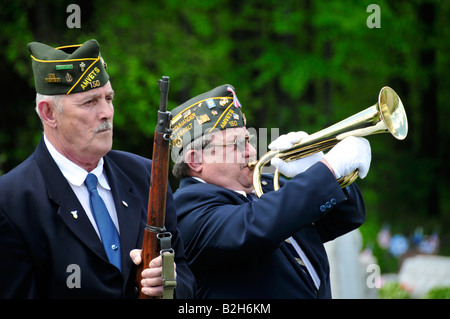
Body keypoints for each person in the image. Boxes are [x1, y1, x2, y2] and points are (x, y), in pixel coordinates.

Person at [0, 39, 195, 298]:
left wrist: (167, 284)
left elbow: (184, 274)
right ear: (48, 114)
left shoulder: (145, 175)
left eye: (108, 98)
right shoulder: (11, 201)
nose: (106, 112)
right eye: (90, 102)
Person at [169, 84, 371, 298]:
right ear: (195, 160)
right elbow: (257, 225)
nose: (251, 151)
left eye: (248, 140)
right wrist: (328, 171)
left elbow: (348, 217)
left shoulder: (264, 187)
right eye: (236, 144)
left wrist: (325, 169)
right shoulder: (186, 211)